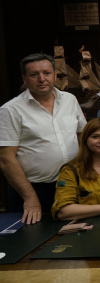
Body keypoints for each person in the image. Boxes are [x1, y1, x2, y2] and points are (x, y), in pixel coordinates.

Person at [0, 53, 87, 223]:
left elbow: (83, 136)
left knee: (75, 234)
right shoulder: (10, 110)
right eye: (34, 74)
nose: (42, 79)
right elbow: (6, 159)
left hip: (72, 184)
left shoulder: (70, 100)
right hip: (33, 190)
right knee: (34, 236)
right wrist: (30, 198)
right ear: (24, 79)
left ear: (55, 75)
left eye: (47, 73)